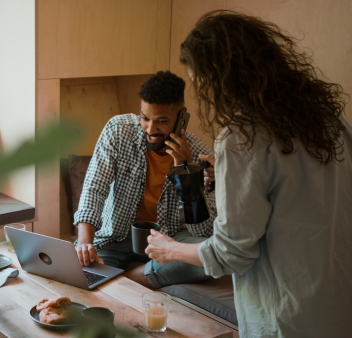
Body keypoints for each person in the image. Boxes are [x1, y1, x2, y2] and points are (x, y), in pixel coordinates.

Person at [146, 10, 352, 337]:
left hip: (285, 316)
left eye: (200, 81)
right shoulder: (329, 119)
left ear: (220, 79)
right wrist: (232, 177)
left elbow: (231, 255)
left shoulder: (242, 139)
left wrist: (168, 249)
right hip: (338, 306)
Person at [73, 70, 217, 288]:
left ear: (182, 117)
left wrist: (186, 172)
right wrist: (84, 243)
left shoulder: (199, 155)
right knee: (82, 273)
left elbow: (202, 232)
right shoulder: (119, 131)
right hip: (115, 237)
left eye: (161, 121)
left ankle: (131, 278)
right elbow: (94, 187)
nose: (151, 129)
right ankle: (134, 276)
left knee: (209, 258)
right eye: (145, 118)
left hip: (167, 242)